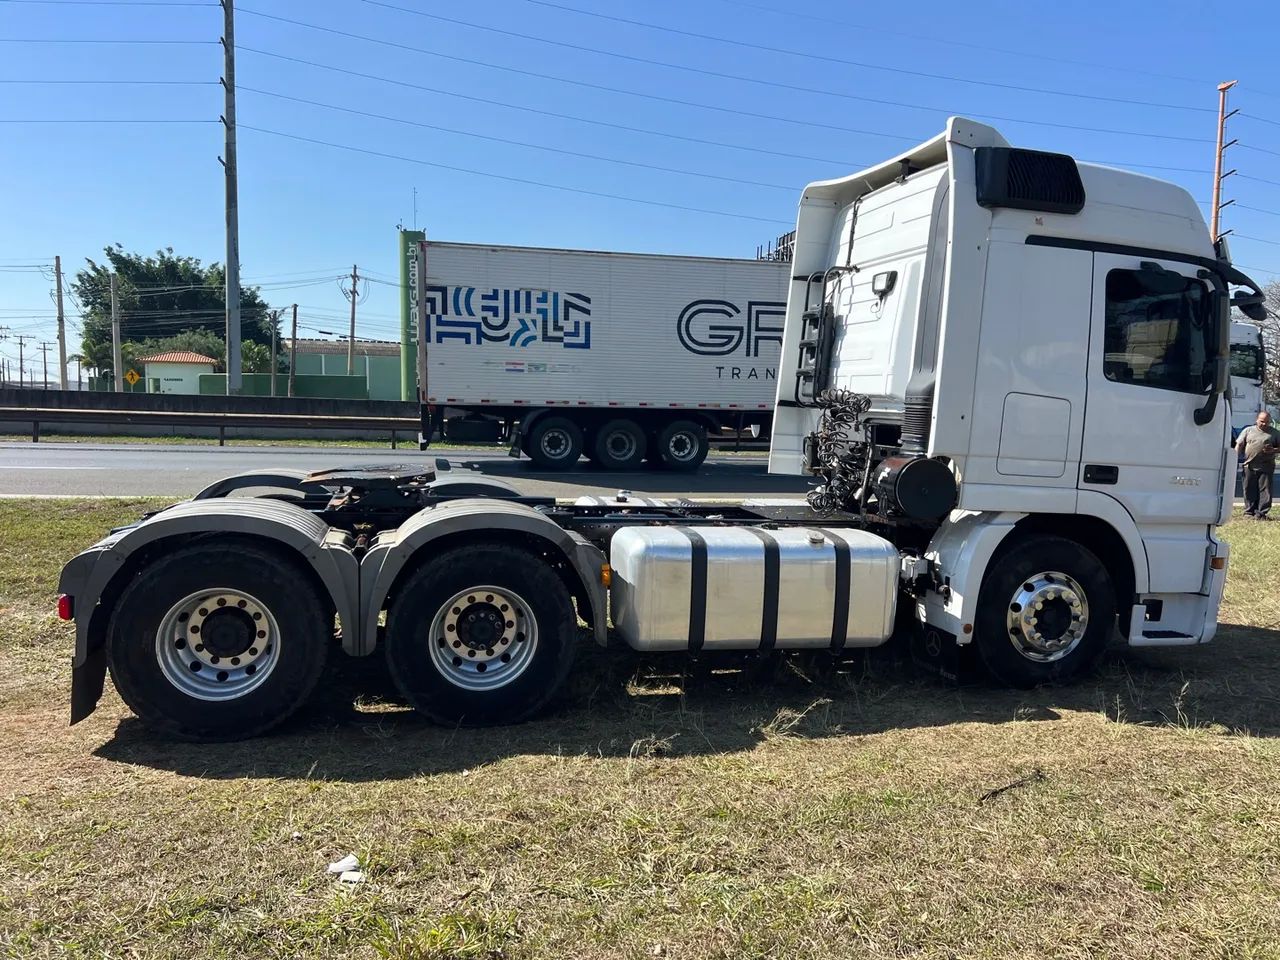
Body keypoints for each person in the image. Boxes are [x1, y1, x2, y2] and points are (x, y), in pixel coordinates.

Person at [1236, 410, 1278, 520]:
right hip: (1249, 465)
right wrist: (1234, 456)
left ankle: (1261, 513)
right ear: (1256, 420)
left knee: (1265, 490)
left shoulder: (1274, 433)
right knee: (1249, 489)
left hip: (1266, 465)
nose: (1264, 424)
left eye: (1267, 422)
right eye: (1262, 421)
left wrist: (1273, 450)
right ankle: (1249, 512)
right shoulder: (1248, 430)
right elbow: (1240, 444)